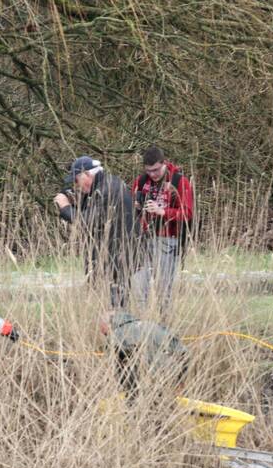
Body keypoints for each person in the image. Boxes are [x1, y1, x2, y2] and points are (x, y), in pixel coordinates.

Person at [54, 156, 138, 308]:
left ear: (86, 174)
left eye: (76, 180)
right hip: (116, 257)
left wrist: (66, 208)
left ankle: (118, 328)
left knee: (115, 307)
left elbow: (88, 222)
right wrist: (78, 200)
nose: (76, 185)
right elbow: (97, 215)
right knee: (111, 306)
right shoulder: (108, 184)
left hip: (117, 260)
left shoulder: (107, 190)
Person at [131, 147, 194, 313]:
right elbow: (131, 211)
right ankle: (142, 329)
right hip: (143, 240)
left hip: (168, 240)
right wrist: (136, 207)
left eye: (156, 170)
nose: (153, 174)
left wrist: (163, 212)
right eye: (149, 171)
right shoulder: (140, 182)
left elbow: (187, 213)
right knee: (138, 288)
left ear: (164, 163)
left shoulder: (179, 181)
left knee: (163, 292)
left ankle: (165, 330)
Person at [100, 310, 187, 395]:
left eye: (105, 333)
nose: (106, 336)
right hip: (170, 376)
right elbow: (184, 353)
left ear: (110, 325)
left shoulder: (114, 336)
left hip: (147, 385)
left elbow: (112, 370)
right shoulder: (152, 325)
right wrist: (181, 381)